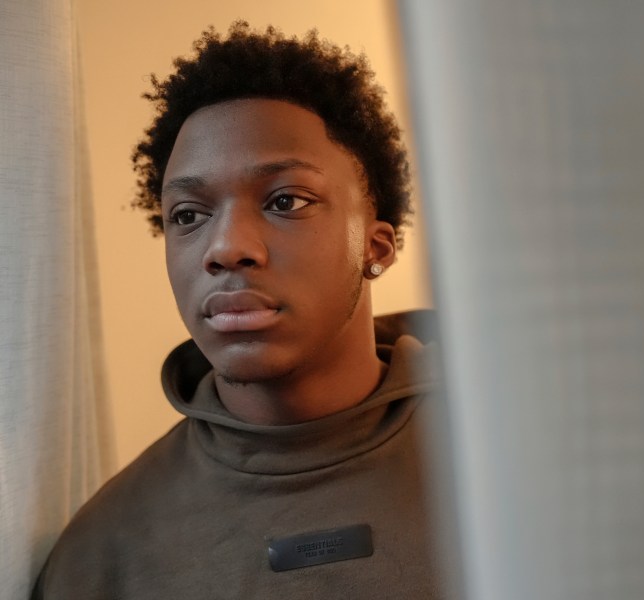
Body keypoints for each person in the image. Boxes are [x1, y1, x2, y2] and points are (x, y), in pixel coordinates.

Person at [33, 22, 441, 599]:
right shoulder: (104, 554)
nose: (226, 248)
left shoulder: (519, 461)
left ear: (376, 246)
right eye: (189, 216)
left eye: (286, 201)